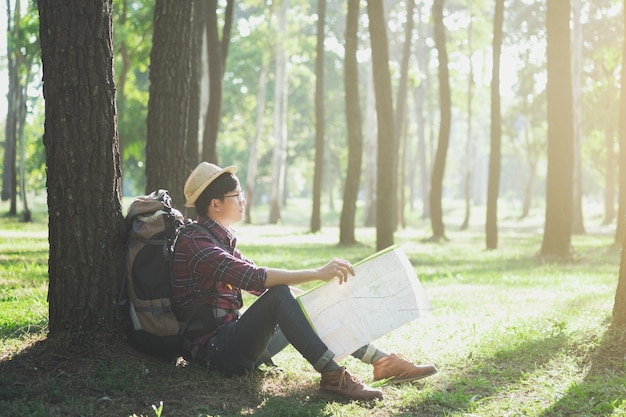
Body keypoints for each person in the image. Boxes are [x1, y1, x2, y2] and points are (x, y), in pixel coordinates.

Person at [172, 162, 437, 401]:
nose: (243, 200)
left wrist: (319, 299)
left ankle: (383, 361)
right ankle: (334, 377)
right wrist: (317, 273)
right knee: (280, 296)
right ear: (216, 204)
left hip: (235, 341)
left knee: (299, 301)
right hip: (215, 351)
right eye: (237, 195)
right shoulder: (196, 242)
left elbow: (258, 283)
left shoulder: (219, 238)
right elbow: (256, 278)